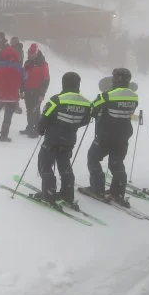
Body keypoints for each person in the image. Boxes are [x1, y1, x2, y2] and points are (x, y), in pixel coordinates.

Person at [36, 72, 92, 205]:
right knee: (64, 165)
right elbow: (85, 120)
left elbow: (44, 118)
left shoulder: (57, 100)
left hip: (52, 139)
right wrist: (72, 125)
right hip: (69, 139)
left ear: (64, 83)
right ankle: (68, 194)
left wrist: (41, 129)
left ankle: (49, 193)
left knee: (45, 164)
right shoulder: (86, 103)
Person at [86, 67, 139, 206]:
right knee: (116, 163)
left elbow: (92, 109)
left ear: (116, 79)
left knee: (93, 158)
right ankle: (118, 192)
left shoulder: (107, 95)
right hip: (123, 136)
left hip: (106, 135)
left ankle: (97, 189)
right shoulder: (134, 96)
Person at [0, 45, 23, 141]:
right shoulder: (18, 67)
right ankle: (3, 135)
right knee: (8, 116)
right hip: (12, 96)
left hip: (0, 94)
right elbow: (25, 77)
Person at [21, 44, 50, 137]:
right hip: (28, 90)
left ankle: (37, 130)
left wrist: (42, 93)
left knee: (36, 111)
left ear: (36, 53)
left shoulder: (43, 64)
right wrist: (21, 90)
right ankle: (29, 127)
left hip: (37, 91)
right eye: (29, 53)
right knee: (29, 110)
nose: (30, 55)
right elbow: (23, 77)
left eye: (32, 53)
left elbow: (46, 80)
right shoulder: (27, 63)